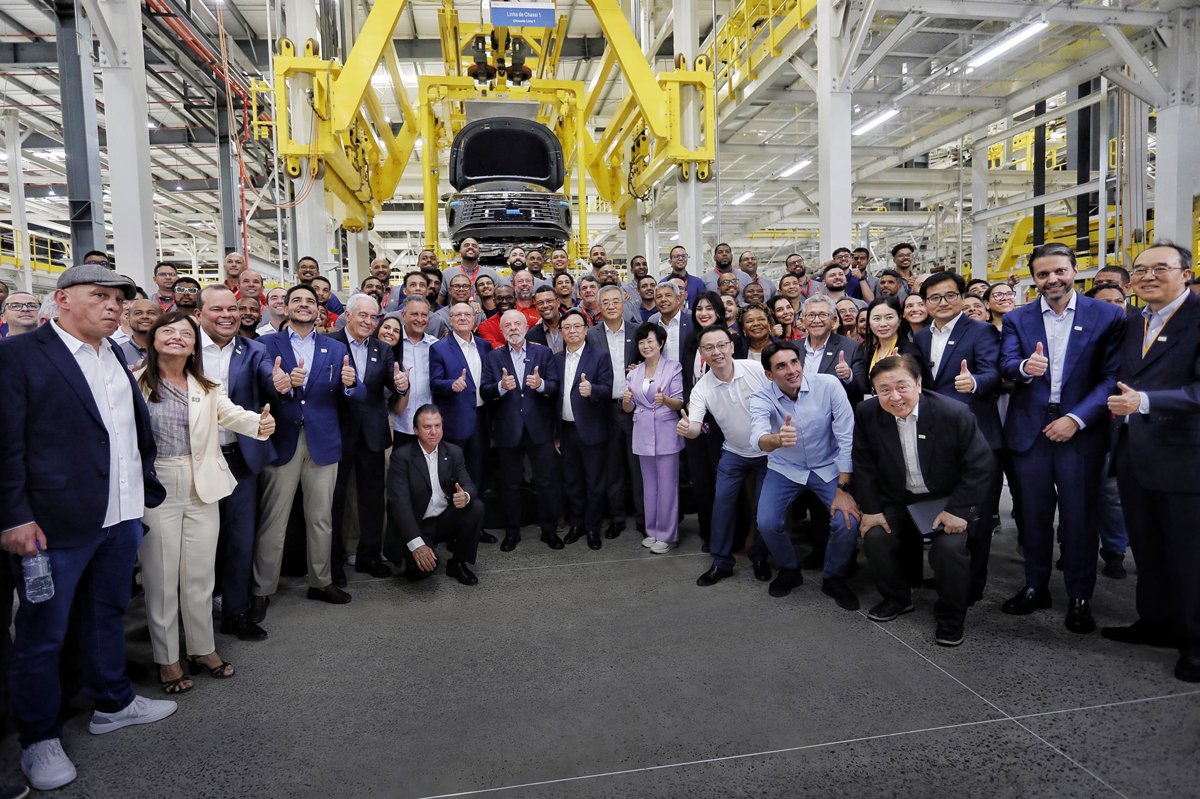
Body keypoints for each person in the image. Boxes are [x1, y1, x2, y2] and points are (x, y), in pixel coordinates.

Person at [0, 265, 174, 792]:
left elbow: (124, 433)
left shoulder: (113, 354)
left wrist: (139, 495)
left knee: (107, 614)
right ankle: (39, 737)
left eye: (118, 299)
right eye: (99, 296)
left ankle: (112, 701)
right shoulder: (20, 355)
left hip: (120, 515)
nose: (113, 306)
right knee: (44, 633)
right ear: (61, 300)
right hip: (54, 523)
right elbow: (7, 443)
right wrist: (14, 515)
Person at [135, 312, 274, 693]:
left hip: (202, 486)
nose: (177, 337)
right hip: (157, 485)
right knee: (162, 578)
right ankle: (168, 659)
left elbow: (232, 415)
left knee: (199, 576)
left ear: (194, 345)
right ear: (154, 339)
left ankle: (202, 648)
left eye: (185, 333)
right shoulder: (135, 381)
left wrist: (259, 424)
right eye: (168, 331)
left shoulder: (207, 385)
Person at [999, 242, 1125, 634]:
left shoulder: (1106, 315)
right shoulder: (1018, 318)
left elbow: (1112, 377)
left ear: (1074, 271)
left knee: (1079, 518)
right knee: (1033, 516)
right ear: (1034, 279)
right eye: (1043, 274)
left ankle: (1080, 596)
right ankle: (1035, 587)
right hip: (1030, 432)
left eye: (1059, 271)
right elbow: (1006, 363)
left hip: (1080, 432)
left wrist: (1076, 418)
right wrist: (1025, 366)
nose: (1052, 279)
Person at [1102, 242, 1200, 682]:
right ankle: (1155, 621)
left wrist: (1145, 402)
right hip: (1135, 455)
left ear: (1185, 273)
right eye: (1140, 270)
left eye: (1161, 268)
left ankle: (1195, 641)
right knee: (1147, 547)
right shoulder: (1132, 322)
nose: (1148, 276)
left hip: (1185, 458)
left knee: (1189, 555)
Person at [853, 355, 994, 646]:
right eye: (884, 390)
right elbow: (863, 463)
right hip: (898, 495)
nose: (894, 397)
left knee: (949, 549)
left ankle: (951, 616)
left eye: (902, 387)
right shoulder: (867, 412)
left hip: (947, 497)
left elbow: (980, 465)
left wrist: (958, 511)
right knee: (875, 535)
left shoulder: (953, 413)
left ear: (918, 383)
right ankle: (897, 598)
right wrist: (871, 510)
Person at [252, 285, 366, 625]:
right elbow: (261, 382)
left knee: (321, 518)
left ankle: (321, 581)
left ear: (320, 310)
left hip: (323, 442)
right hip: (282, 440)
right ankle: (261, 589)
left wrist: (351, 384)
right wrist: (279, 385)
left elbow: (355, 392)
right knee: (273, 520)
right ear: (284, 307)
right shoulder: (266, 344)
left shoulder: (336, 347)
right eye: (297, 301)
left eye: (310, 301)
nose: (304, 305)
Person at [912, 271, 1003, 603]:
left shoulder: (981, 331)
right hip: (939, 441)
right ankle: (948, 577)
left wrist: (975, 382)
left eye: (950, 295)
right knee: (944, 511)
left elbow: (994, 372)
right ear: (925, 303)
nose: (942, 302)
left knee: (976, 517)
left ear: (962, 298)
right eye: (934, 297)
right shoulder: (922, 337)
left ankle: (972, 586)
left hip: (977, 436)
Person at [750, 342, 861, 608]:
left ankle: (834, 577)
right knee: (766, 522)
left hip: (827, 467)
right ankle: (789, 569)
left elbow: (846, 438)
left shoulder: (829, 385)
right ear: (769, 374)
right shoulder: (761, 397)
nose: (791, 370)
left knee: (847, 520)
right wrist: (776, 439)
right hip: (785, 468)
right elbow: (757, 437)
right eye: (781, 366)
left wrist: (844, 489)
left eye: (794, 362)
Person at [195, 286, 276, 642]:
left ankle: (235, 613)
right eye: (218, 309)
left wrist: (281, 385)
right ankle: (194, 622)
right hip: (196, 459)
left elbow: (269, 381)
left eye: (233, 309)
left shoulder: (254, 349)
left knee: (240, 539)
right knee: (199, 543)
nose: (227, 315)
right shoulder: (185, 347)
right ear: (199, 313)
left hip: (238, 458)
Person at [679, 325, 772, 585]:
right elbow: (695, 427)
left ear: (731, 346)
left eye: (721, 345)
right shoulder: (701, 388)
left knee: (763, 509)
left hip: (768, 452)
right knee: (721, 505)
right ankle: (721, 562)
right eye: (709, 348)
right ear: (702, 354)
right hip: (733, 452)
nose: (717, 352)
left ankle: (760, 558)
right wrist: (687, 428)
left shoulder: (755, 370)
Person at [330, 293, 409, 585]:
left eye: (372, 317)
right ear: (347, 315)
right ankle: (333, 561)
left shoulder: (382, 349)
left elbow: (393, 382)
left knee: (373, 499)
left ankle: (369, 555)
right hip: (338, 433)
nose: (368, 321)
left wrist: (402, 384)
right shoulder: (330, 343)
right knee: (335, 500)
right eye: (362, 315)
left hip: (373, 434)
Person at [481, 310, 563, 551]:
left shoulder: (543, 353)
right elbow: (485, 390)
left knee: (545, 482)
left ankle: (549, 531)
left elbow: (555, 387)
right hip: (508, 431)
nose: (513, 328)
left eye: (518, 323)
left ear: (526, 327)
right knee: (510, 485)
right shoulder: (493, 358)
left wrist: (541, 385)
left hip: (540, 429)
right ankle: (512, 532)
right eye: (508, 325)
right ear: (502, 331)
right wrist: (500, 386)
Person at [384, 404, 484, 585]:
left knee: (475, 506)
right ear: (416, 430)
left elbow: (469, 485)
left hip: (443, 519)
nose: (434, 432)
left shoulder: (453, 452)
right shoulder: (401, 457)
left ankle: (458, 562)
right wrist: (417, 545)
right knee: (422, 572)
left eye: (438, 426)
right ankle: (417, 554)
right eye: (427, 427)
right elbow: (400, 506)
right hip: (417, 523)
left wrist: (465, 496)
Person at [680, 293, 747, 551]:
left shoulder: (733, 341)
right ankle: (710, 534)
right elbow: (688, 379)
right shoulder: (690, 342)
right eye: (699, 308)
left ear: (719, 311)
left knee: (727, 481)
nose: (703, 312)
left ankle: (736, 535)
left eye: (709, 308)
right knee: (702, 481)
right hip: (695, 419)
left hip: (724, 421)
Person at [621, 323, 684, 553]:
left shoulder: (673, 368)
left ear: (661, 343)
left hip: (666, 432)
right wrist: (626, 402)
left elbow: (679, 402)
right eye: (641, 342)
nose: (646, 346)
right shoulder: (634, 372)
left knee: (667, 487)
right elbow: (628, 408)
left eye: (650, 341)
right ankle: (653, 531)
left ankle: (668, 535)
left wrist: (665, 400)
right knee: (649, 486)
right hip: (642, 432)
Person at [588, 285, 645, 538]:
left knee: (638, 467)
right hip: (604, 409)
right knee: (613, 469)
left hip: (634, 409)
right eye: (606, 302)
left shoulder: (638, 331)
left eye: (615, 301)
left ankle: (643, 518)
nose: (611, 306)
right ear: (599, 307)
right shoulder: (591, 335)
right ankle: (617, 518)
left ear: (624, 304)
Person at [556, 310, 614, 550]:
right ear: (561, 332)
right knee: (572, 481)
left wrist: (593, 390)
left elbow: (608, 389)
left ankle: (592, 527)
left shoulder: (599, 356)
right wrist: (556, 434)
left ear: (586, 329)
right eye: (567, 327)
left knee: (594, 482)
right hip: (566, 431)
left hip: (592, 430)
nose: (572, 331)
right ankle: (577, 524)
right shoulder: (557, 359)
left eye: (577, 326)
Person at [430, 302, 494, 503]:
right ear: (450, 320)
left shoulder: (485, 346)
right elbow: (434, 382)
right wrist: (451, 385)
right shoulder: (439, 348)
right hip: (455, 420)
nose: (463, 318)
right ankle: (456, 516)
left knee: (479, 469)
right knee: (455, 473)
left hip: (482, 418)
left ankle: (476, 516)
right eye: (457, 315)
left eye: (467, 314)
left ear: (474, 320)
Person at [796, 295, 867, 406]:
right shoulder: (793, 348)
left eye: (823, 315)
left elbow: (862, 392)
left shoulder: (851, 348)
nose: (816, 320)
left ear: (834, 320)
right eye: (811, 315)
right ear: (802, 321)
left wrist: (849, 376)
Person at [392, 297, 439, 448]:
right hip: (397, 424)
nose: (420, 319)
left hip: (429, 426)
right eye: (414, 314)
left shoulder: (436, 346)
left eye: (424, 315)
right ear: (403, 315)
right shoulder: (392, 343)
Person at [441, 238, 502, 303]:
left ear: (479, 251)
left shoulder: (491, 274)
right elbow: (439, 303)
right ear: (460, 251)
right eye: (466, 245)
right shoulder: (447, 274)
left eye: (474, 246)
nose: (470, 247)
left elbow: (499, 298)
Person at [863, 296, 912, 372]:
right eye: (877, 318)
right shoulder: (868, 352)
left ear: (899, 320)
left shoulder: (909, 351)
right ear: (869, 322)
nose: (883, 324)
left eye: (889, 318)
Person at [648, 281, 692, 363]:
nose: (663, 299)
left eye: (668, 295)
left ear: (678, 299)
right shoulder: (652, 327)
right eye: (659, 297)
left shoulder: (692, 323)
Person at [118, 299, 161, 366]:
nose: (145, 317)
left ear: (161, 318)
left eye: (151, 313)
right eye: (138, 313)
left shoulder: (170, 350)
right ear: (128, 319)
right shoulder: (118, 352)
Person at [526, 285, 564, 353]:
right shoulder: (531, 335)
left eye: (549, 301)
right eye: (540, 303)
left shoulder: (573, 326)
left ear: (558, 302)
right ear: (536, 307)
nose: (545, 305)